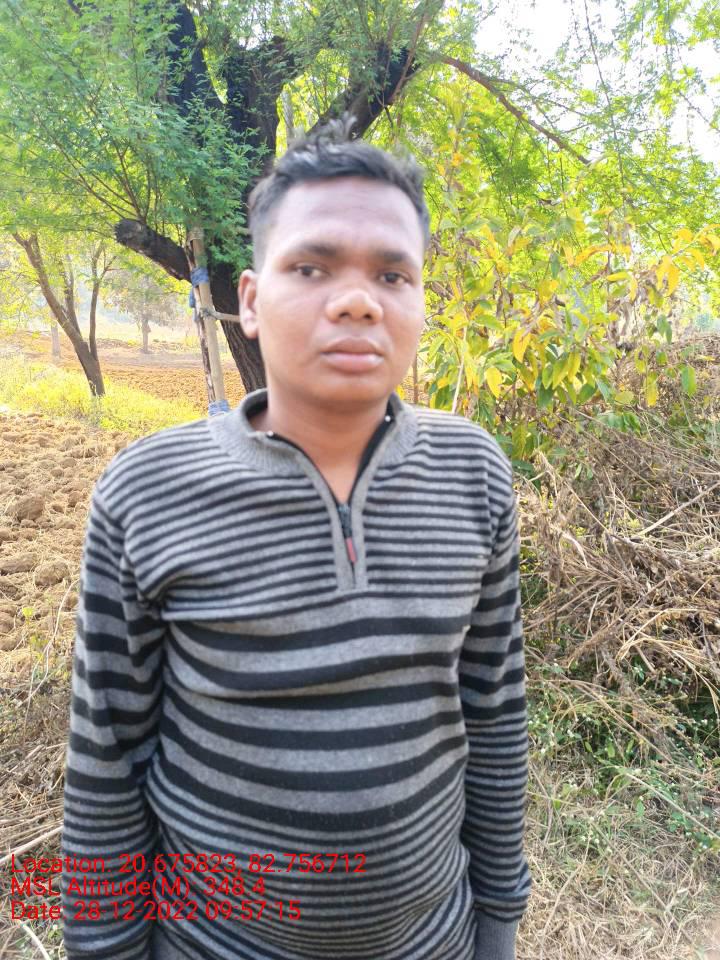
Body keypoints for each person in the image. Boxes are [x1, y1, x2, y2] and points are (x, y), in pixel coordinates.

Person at [60, 115, 532, 960]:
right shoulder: (148, 493)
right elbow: (108, 759)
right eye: (311, 268)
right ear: (249, 300)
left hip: (434, 941)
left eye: (393, 274)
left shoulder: (473, 473)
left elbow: (494, 718)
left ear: (421, 302)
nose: (357, 300)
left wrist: (497, 925)